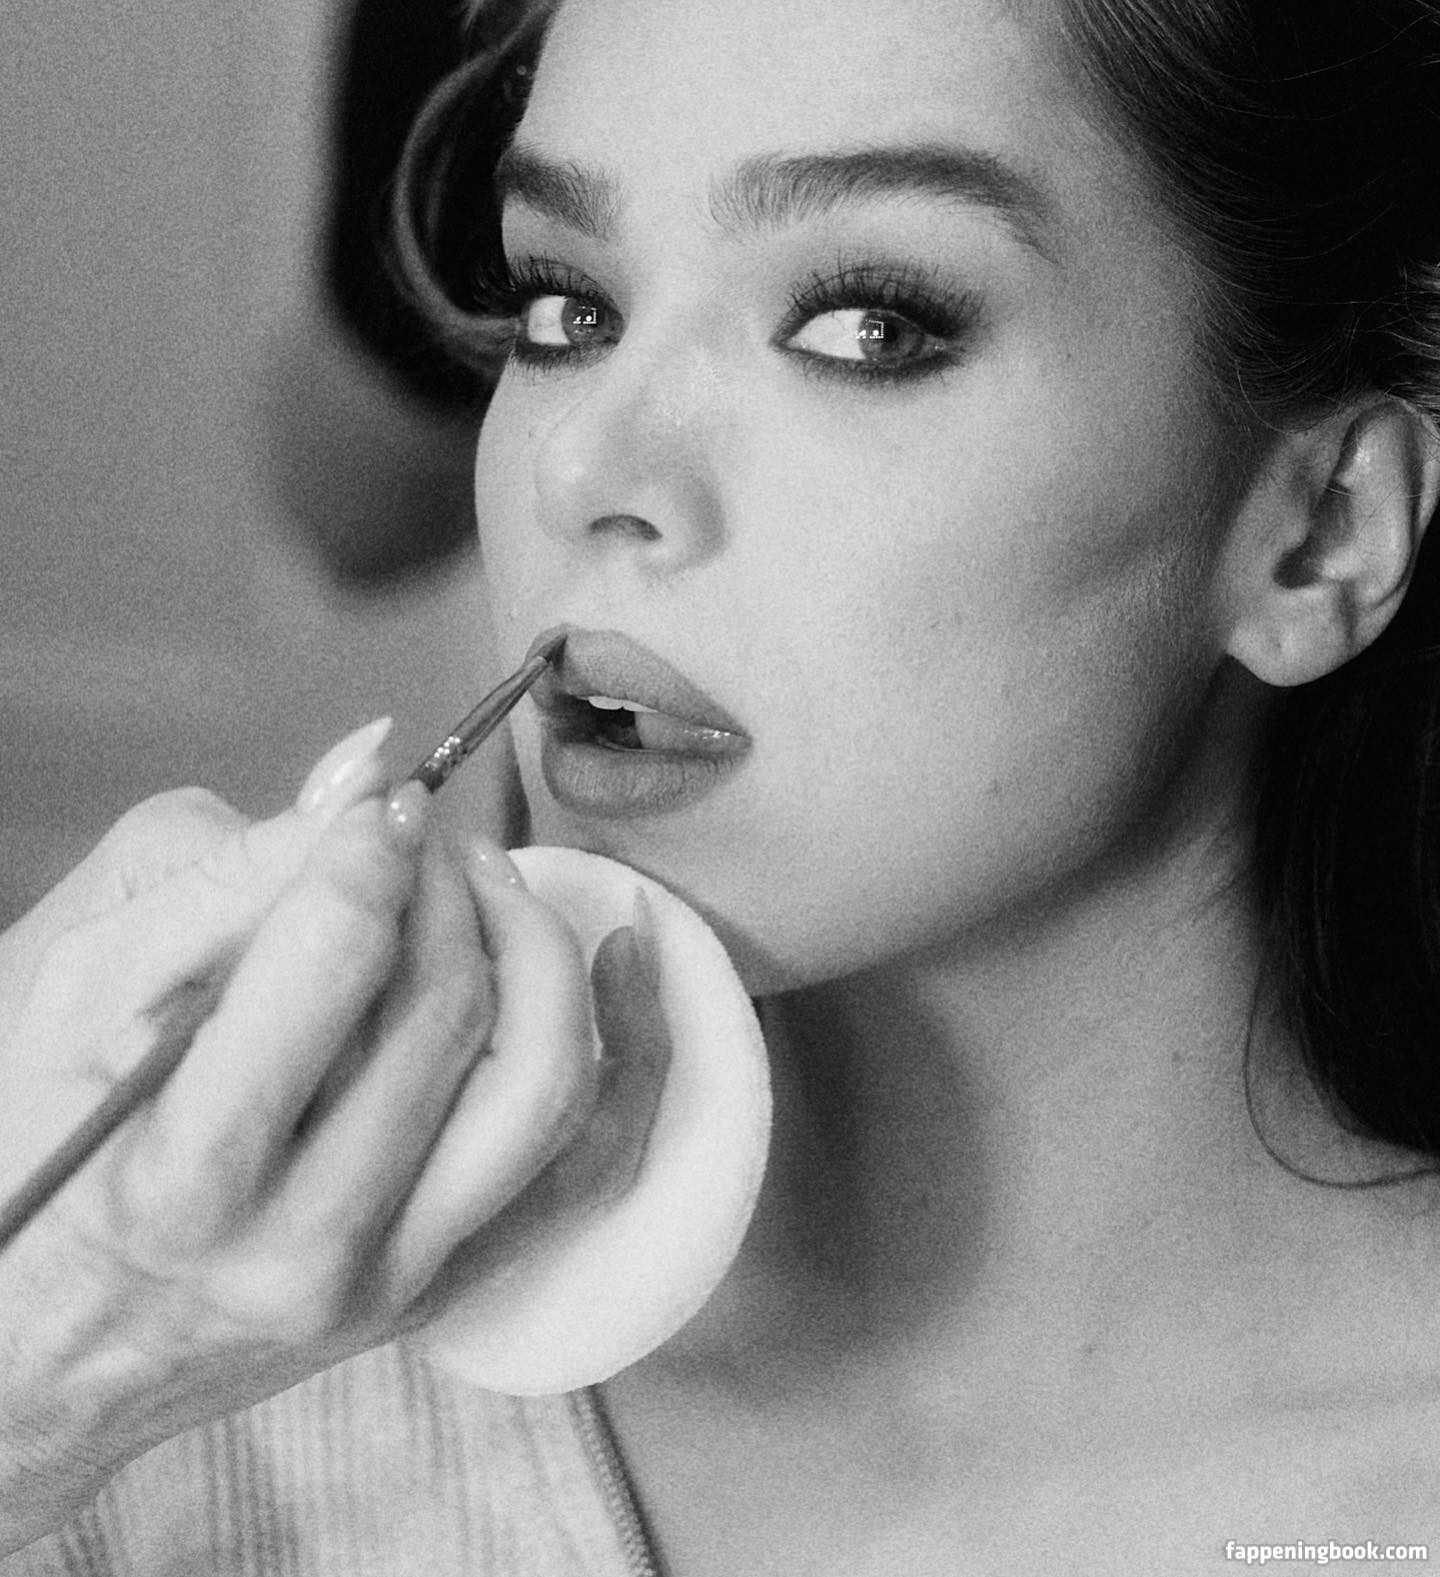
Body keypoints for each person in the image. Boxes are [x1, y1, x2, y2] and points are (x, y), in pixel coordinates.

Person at [4, 0, 1440, 1569]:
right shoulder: (149, 1380)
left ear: (1321, 530)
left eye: (867, 325)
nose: (583, 468)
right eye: (566, 307)